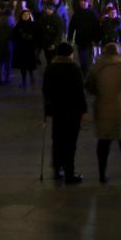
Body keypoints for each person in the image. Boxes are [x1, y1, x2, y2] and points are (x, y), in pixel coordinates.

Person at [85, 43, 121, 183]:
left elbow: (90, 87)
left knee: (104, 142)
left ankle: (102, 173)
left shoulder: (96, 67)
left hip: (102, 109)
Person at [43, 42, 87, 183]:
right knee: (70, 142)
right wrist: (84, 109)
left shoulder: (50, 68)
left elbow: (46, 91)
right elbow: (80, 91)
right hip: (73, 110)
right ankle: (70, 172)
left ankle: (57, 169)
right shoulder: (74, 68)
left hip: (57, 110)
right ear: (70, 54)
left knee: (57, 140)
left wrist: (47, 110)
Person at [67, 0, 100, 76]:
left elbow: (97, 27)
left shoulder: (92, 13)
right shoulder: (77, 13)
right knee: (82, 57)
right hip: (80, 39)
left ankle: (86, 71)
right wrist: (70, 36)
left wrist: (96, 39)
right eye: (81, 2)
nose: (82, 3)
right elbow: (72, 26)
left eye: (84, 1)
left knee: (88, 58)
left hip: (89, 40)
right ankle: (85, 70)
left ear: (87, 3)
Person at [12, 8, 39, 88]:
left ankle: (32, 77)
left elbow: (37, 35)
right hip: (22, 48)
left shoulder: (33, 25)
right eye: (24, 15)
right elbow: (15, 36)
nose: (26, 16)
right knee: (23, 66)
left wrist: (34, 43)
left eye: (27, 15)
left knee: (30, 65)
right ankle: (24, 80)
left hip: (30, 48)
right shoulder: (18, 25)